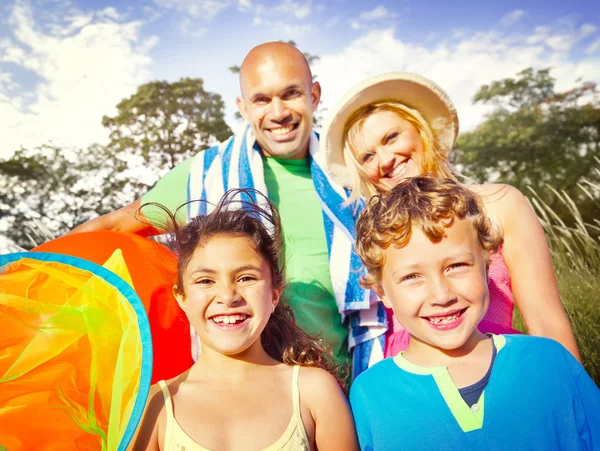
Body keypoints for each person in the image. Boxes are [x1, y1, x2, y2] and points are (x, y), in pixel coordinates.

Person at [70, 42, 386, 378]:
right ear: (243, 107)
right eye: (261, 99)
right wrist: (24, 283)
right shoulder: (205, 176)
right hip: (239, 390)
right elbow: (114, 228)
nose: (278, 112)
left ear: (315, 95)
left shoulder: (353, 173)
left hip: (343, 381)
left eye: (291, 94)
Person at [320, 72, 580, 360]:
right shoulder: (371, 232)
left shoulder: (500, 203)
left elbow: (546, 320)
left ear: (421, 130)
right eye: (368, 157)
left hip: (497, 370)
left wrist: (575, 395)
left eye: (392, 137)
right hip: (409, 382)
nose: (385, 160)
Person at [349, 176, 600, 450]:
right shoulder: (371, 395)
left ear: (486, 263)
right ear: (382, 291)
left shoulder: (550, 361)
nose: (442, 295)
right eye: (412, 277)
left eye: (456, 266)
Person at [130, 189, 359, 451]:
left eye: (246, 278)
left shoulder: (314, 392)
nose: (227, 296)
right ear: (181, 298)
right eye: (206, 281)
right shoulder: (155, 405)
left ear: (275, 293)